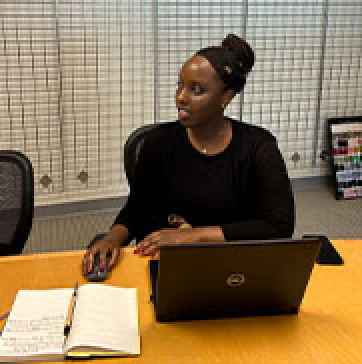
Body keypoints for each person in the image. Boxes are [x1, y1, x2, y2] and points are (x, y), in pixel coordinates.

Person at [83, 34, 295, 274]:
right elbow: (137, 209)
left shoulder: (258, 147)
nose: (180, 97)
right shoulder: (156, 144)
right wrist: (112, 238)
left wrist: (194, 237)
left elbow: (278, 226)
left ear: (226, 97)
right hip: (166, 264)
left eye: (196, 90)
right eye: (179, 85)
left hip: (231, 266)